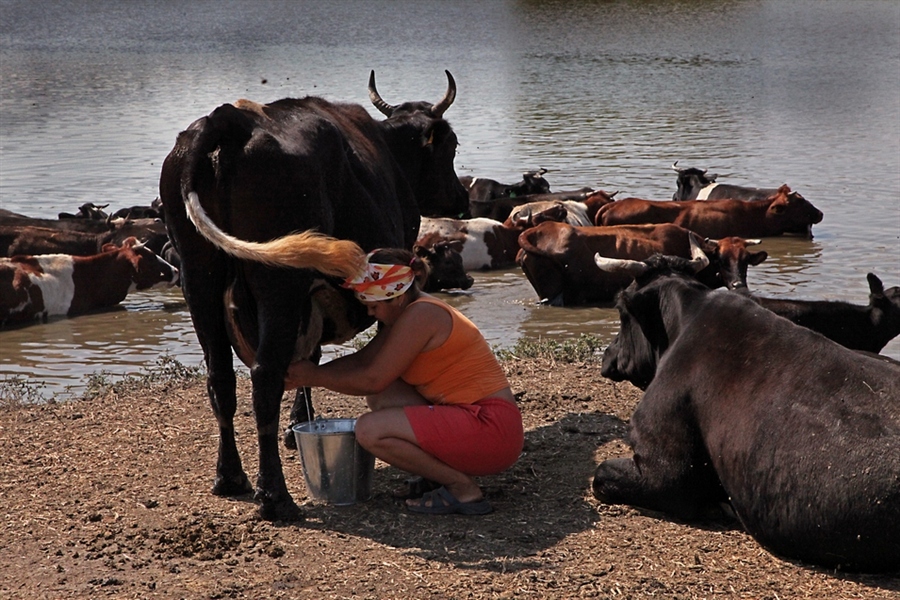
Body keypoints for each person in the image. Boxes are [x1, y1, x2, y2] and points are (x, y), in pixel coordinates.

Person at [284, 248, 523, 515]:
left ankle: (462, 489)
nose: (372, 314)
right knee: (384, 397)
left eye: (374, 307)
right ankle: (437, 475)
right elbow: (364, 361)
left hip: (492, 430)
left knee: (369, 431)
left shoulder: (421, 315)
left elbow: (372, 379)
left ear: (395, 298)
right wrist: (304, 372)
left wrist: (312, 376)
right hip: (477, 421)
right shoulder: (412, 312)